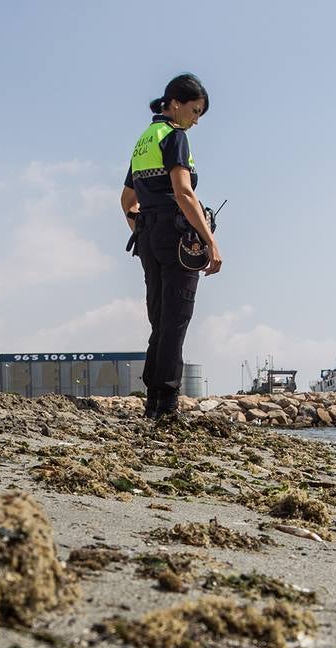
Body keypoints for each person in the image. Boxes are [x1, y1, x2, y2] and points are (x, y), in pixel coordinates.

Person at [121, 73, 220, 421]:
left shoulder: (145, 139)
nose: (195, 121)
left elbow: (126, 200)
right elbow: (183, 192)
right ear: (175, 104)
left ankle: (154, 400)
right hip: (176, 236)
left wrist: (146, 227)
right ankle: (167, 404)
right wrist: (210, 240)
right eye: (194, 112)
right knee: (176, 320)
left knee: (160, 319)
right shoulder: (175, 137)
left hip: (148, 236)